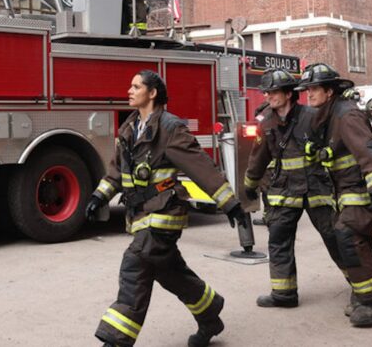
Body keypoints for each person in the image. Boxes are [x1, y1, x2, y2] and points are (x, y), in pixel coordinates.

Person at [85, 70, 249, 347]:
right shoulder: (129, 127)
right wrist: (98, 197)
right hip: (140, 215)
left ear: (152, 93)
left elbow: (201, 167)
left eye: (136, 86)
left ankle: (115, 341)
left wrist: (230, 203)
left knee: (134, 267)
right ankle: (210, 314)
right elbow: (116, 172)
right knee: (169, 271)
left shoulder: (171, 128)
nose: (129, 90)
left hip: (164, 215)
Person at [296, 63, 372, 327]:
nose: (309, 94)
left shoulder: (346, 115)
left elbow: (371, 152)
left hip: (359, 190)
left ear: (329, 91)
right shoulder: (326, 116)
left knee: (348, 235)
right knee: (346, 239)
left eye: (314, 89)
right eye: (307, 90)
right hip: (341, 190)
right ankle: (366, 293)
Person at [244, 69, 340, 308]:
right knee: (278, 242)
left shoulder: (312, 116)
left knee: (336, 239)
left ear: (289, 94)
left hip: (315, 188)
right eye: (267, 92)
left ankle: (362, 288)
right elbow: (259, 156)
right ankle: (284, 295)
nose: (268, 96)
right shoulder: (266, 122)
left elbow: (332, 146)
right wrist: (250, 184)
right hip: (283, 191)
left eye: (274, 92)